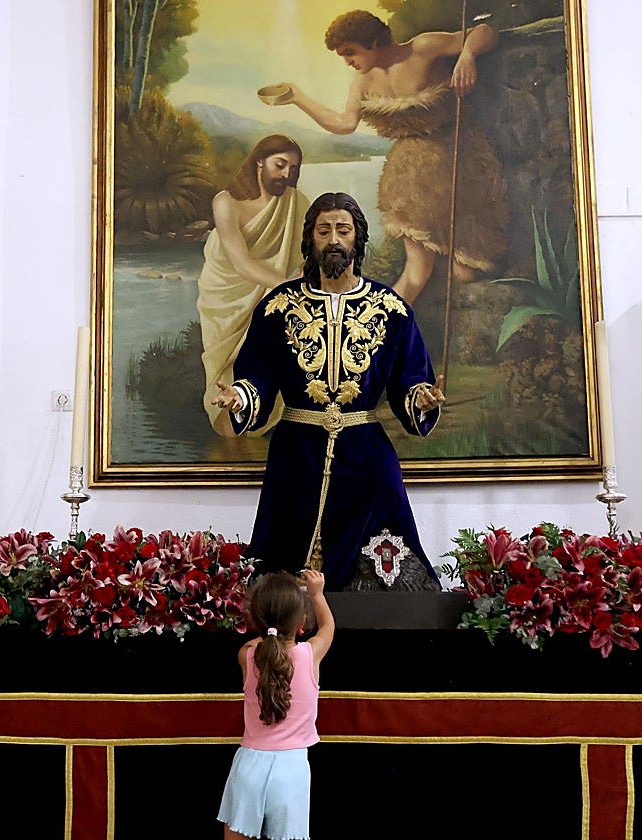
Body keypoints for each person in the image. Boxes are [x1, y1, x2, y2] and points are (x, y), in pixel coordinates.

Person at [211, 192, 446, 592]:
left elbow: (410, 377)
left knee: (382, 573)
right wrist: (240, 396)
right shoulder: (278, 307)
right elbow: (258, 376)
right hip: (297, 452)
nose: (334, 239)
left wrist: (420, 397)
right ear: (311, 239)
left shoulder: (391, 309)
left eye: (343, 230)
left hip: (365, 454)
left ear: (357, 239)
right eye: (324, 230)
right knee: (283, 565)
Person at [262, 9, 508, 303]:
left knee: (465, 271)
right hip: (411, 174)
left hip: (460, 156)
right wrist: (298, 98)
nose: (348, 61)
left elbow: (487, 32)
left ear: (373, 42)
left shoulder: (422, 48)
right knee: (417, 270)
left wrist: (466, 55)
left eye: (350, 52)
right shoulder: (363, 81)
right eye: (342, 56)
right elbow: (344, 124)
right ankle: (383, 328)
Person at [198, 134, 311, 436]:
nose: (287, 174)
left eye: (293, 168)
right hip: (226, 297)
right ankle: (228, 434)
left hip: (271, 296)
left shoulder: (296, 203)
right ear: (260, 161)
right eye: (280, 164)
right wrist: (287, 286)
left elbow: (307, 254)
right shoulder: (226, 202)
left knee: (266, 359)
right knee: (224, 367)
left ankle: (253, 427)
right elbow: (241, 264)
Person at [218, 569, 335, 840]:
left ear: (255, 621)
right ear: (301, 622)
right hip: (291, 770)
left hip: (248, 765)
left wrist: (266, 630)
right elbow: (328, 627)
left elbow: (263, 644)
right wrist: (317, 594)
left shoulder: (247, 655)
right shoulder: (310, 654)